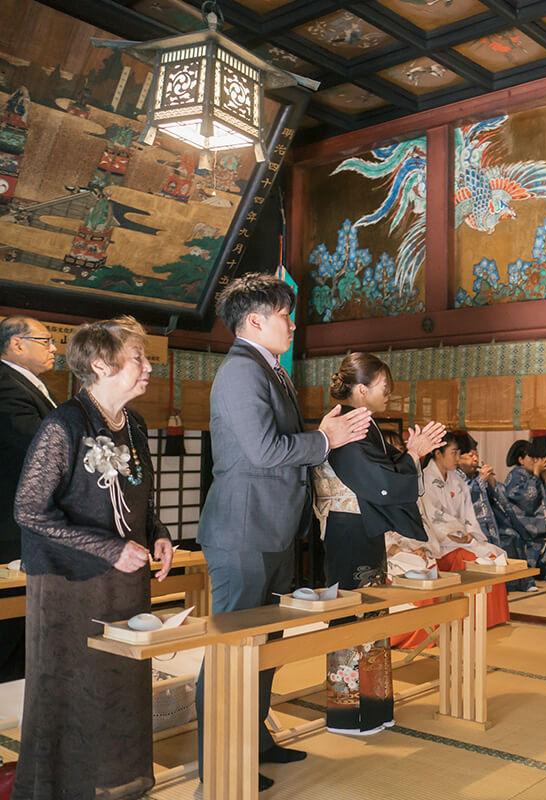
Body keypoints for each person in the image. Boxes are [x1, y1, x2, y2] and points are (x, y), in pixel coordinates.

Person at [196, 274, 371, 791]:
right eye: (284, 314)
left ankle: (255, 739)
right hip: (243, 530)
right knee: (232, 649)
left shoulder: (268, 369)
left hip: (272, 527)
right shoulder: (240, 373)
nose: (292, 324)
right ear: (255, 321)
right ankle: (219, 761)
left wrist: (324, 438)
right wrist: (324, 437)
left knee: (266, 643)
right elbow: (265, 451)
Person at [12, 316, 174, 799]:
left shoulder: (135, 422)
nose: (148, 367)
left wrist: (159, 533)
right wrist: (109, 547)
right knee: (76, 688)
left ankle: (117, 784)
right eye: (139, 358)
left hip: (126, 580)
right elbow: (28, 510)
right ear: (101, 364)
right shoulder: (62, 425)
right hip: (70, 586)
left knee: (121, 684)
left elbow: (142, 495)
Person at [312, 353, 445, 735]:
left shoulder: (363, 426)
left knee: (371, 615)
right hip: (348, 531)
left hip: (361, 530)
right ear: (361, 390)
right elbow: (380, 484)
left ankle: (372, 707)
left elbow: (383, 474)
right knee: (353, 615)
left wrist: (409, 454)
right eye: (385, 389)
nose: (390, 395)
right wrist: (415, 454)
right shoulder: (347, 427)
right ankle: (349, 713)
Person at [0, 316, 58, 682]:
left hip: (29, 521)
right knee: (11, 626)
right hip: (11, 525)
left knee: (26, 624)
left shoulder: (27, 383)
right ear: (17, 344)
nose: (54, 349)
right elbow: (36, 446)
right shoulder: (6, 384)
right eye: (46, 341)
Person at [453, 431, 536, 592]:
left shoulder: (476, 475)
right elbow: (460, 498)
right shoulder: (456, 476)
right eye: (470, 455)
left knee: (513, 536)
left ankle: (520, 583)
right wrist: (479, 482)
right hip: (470, 528)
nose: (475, 459)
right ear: (458, 458)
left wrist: (491, 483)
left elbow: (502, 498)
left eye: (476, 455)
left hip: (489, 524)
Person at [418, 437, 509, 566]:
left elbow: (467, 512)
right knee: (471, 560)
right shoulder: (425, 480)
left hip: (462, 539)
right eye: (453, 453)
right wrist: (456, 535)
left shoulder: (457, 479)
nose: (457, 458)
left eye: (459, 453)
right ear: (438, 453)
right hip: (441, 543)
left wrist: (469, 532)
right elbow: (431, 517)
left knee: (495, 557)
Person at [503, 439, 546, 582]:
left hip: (545, 526)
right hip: (527, 528)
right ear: (520, 460)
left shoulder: (534, 476)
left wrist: (545, 479)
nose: (536, 461)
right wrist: (536, 475)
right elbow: (527, 502)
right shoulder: (515, 476)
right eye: (532, 458)